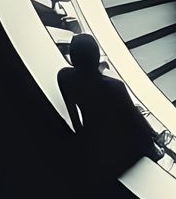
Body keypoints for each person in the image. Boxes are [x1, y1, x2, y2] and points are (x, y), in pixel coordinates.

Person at [57, 32, 157, 174]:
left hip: (96, 141)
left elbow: (75, 118)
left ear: (73, 58)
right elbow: (135, 122)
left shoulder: (64, 76)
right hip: (118, 149)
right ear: (96, 58)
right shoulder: (115, 87)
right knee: (136, 111)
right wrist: (151, 144)